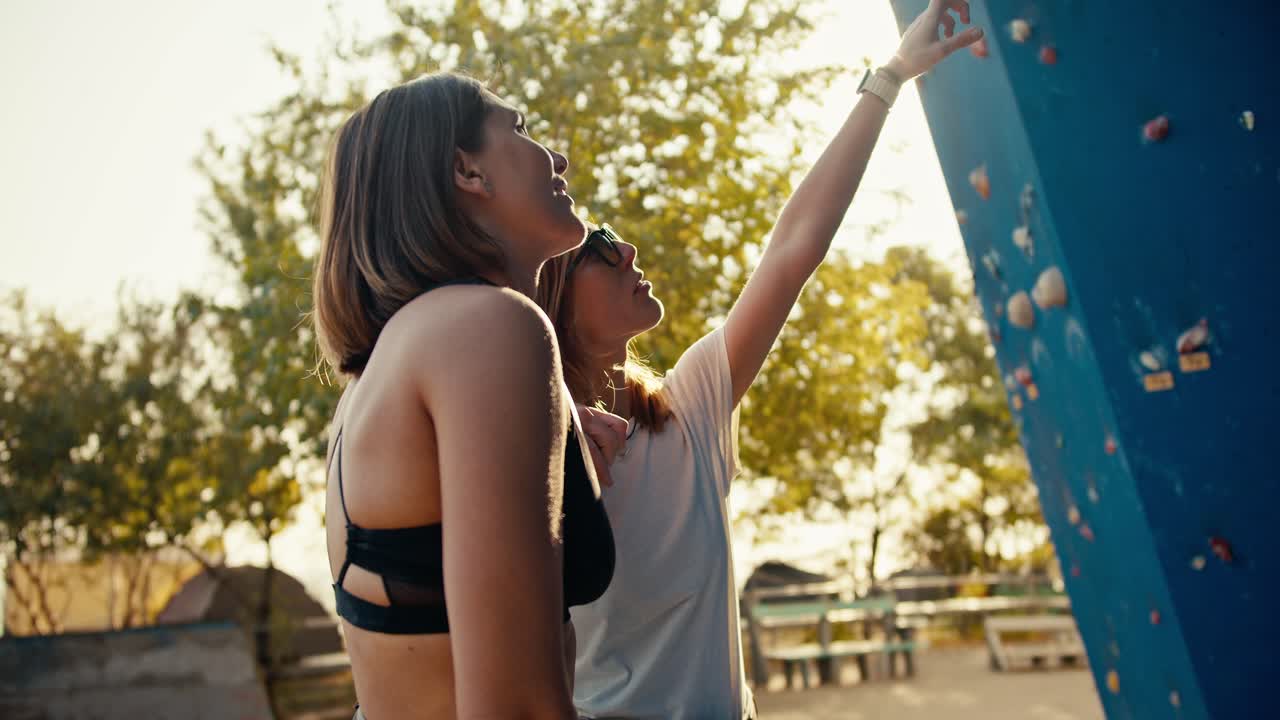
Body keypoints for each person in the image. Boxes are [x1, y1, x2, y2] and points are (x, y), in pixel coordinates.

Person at [536, 2, 982, 717]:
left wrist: (892, 75)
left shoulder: (689, 410)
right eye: (599, 242)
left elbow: (791, 252)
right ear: (553, 300)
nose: (628, 251)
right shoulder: (527, 456)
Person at [311, 71, 614, 720]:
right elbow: (516, 706)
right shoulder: (490, 326)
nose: (555, 157)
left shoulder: (374, 378)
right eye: (522, 129)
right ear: (466, 172)